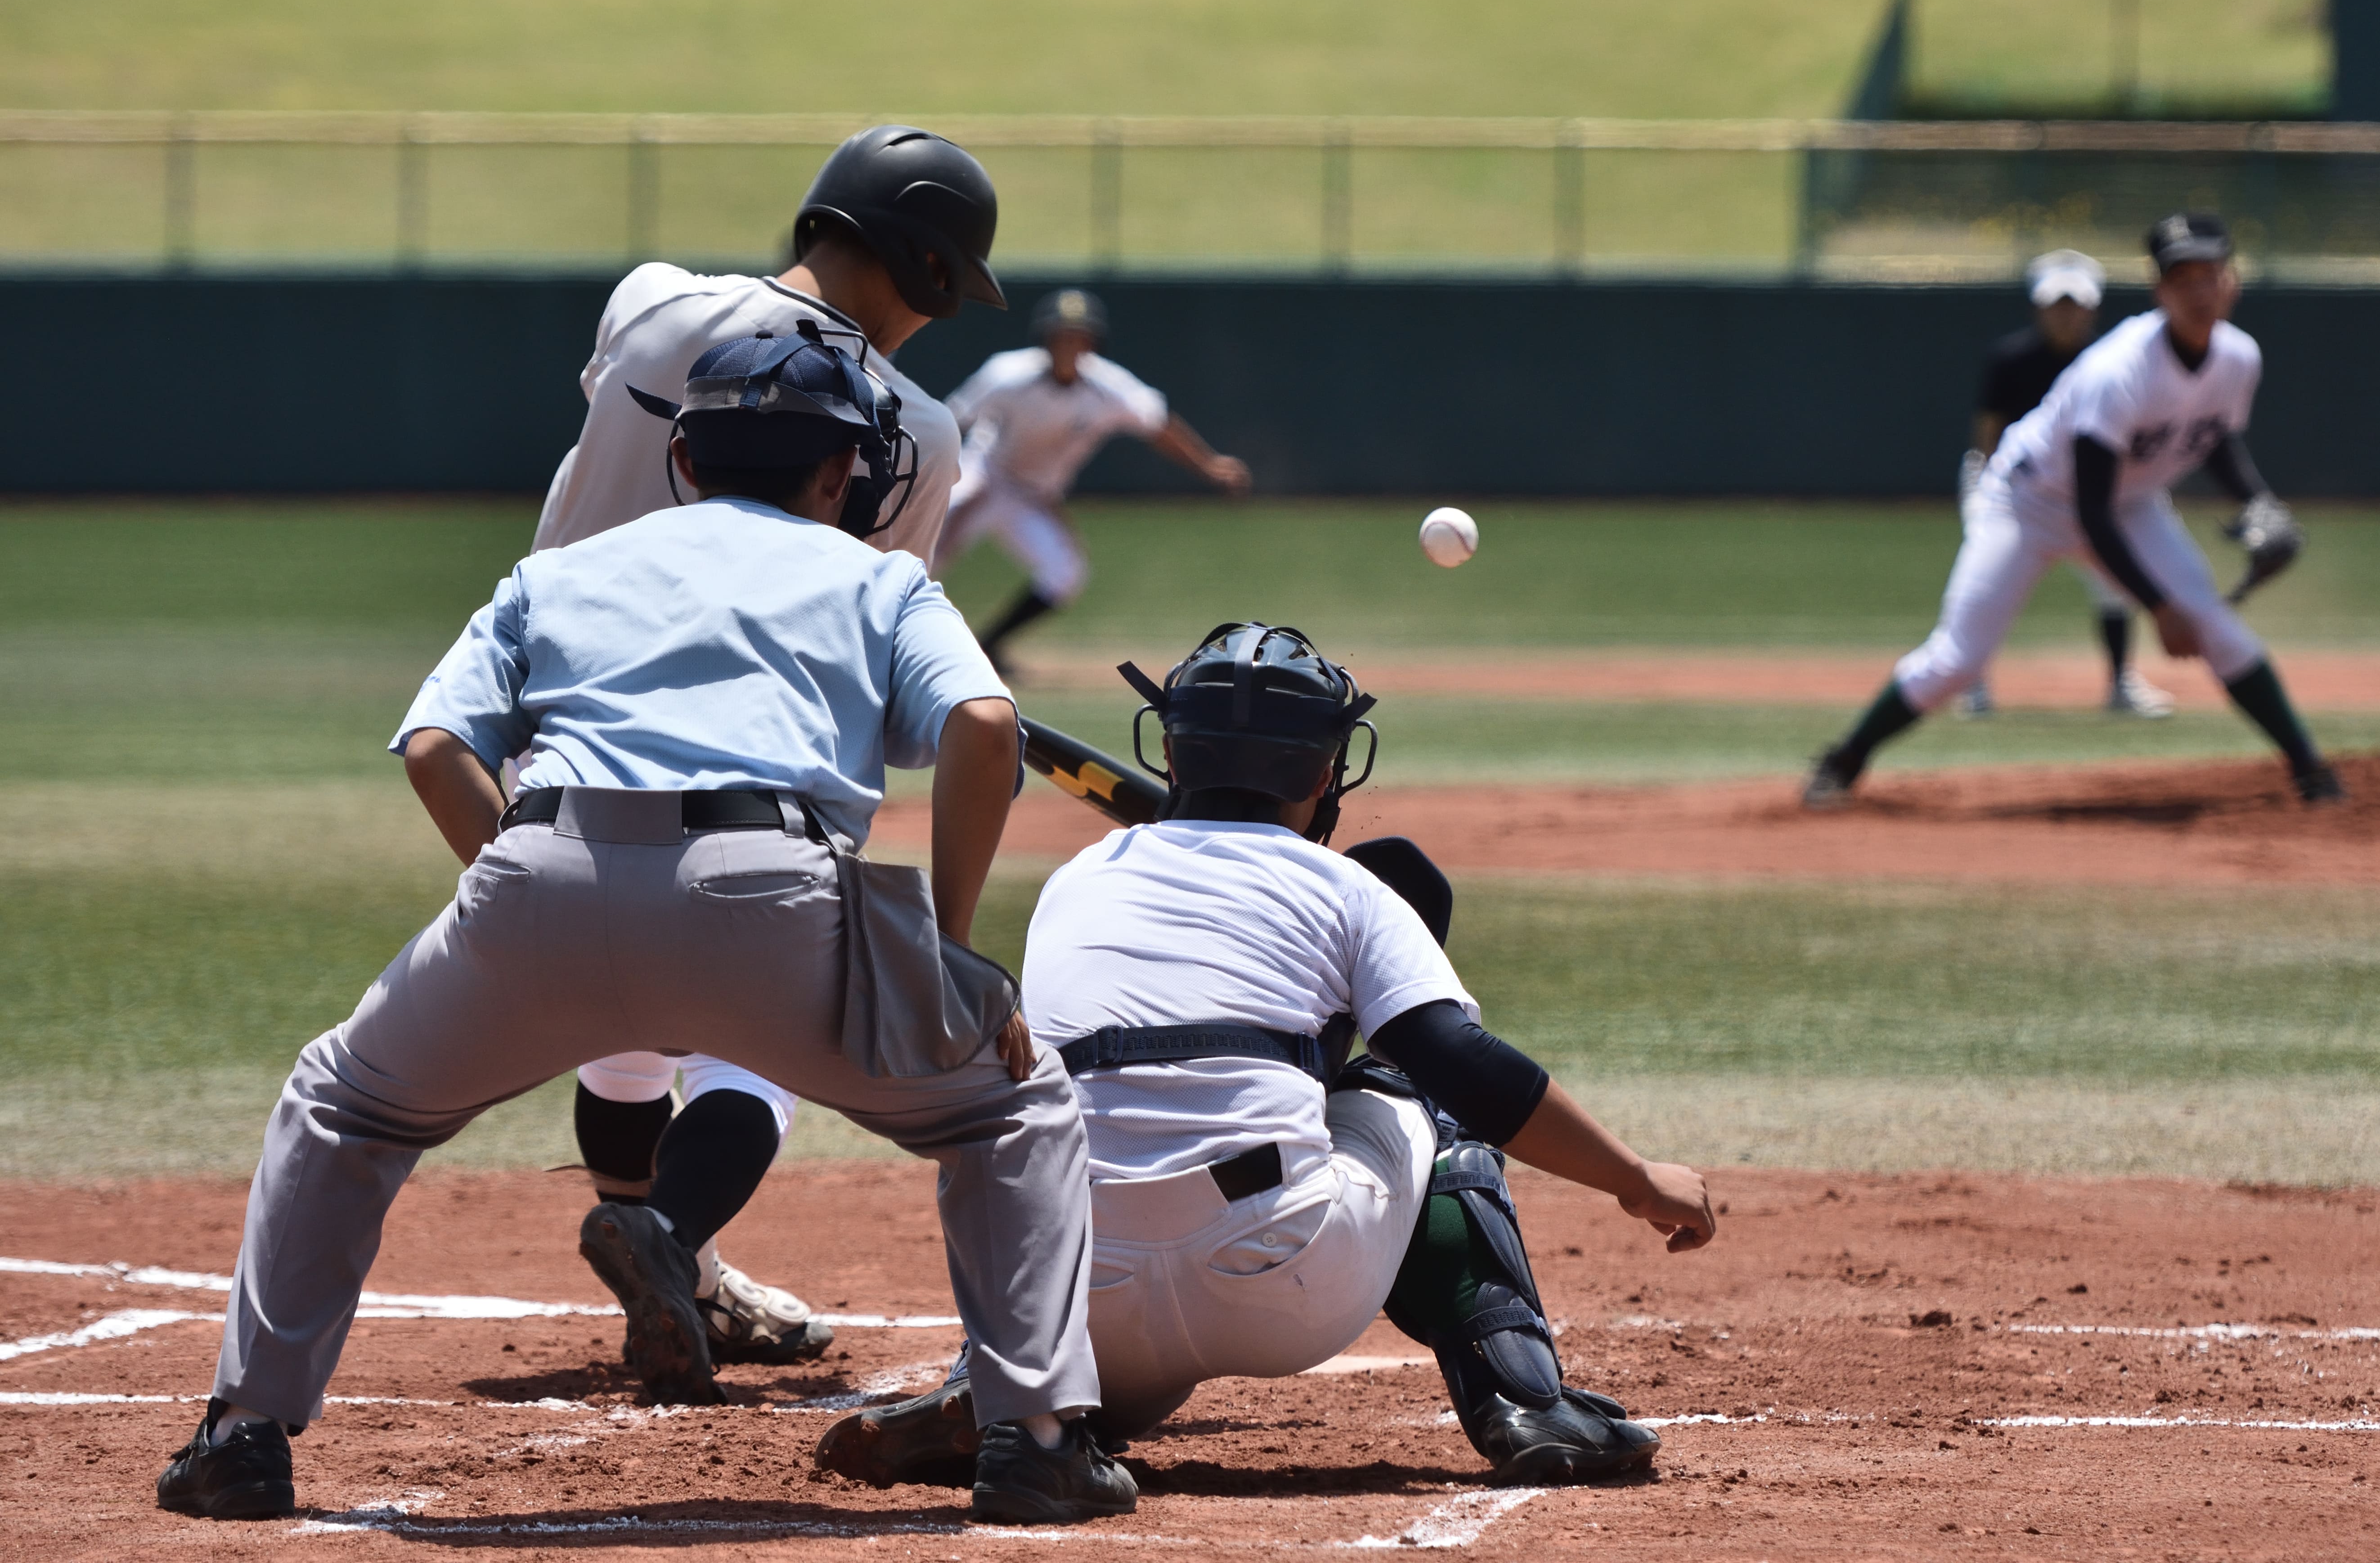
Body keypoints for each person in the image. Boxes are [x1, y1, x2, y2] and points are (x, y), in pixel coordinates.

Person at [155, 333, 1135, 1529]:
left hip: (540, 874)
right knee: (1010, 1114)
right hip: (771, 897)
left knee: (341, 1106)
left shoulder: (558, 573)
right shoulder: (878, 581)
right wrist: (955, 951)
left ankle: (240, 1438)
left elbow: (434, 748)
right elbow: (984, 725)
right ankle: (1037, 1443)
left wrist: (528, 898)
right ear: (844, 474)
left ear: (681, 454)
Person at [811, 623, 1717, 1494]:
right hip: (1285, 1280)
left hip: (1075, 1294)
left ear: (1170, 755)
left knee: (1070, 1144)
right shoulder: (1347, 886)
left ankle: (1014, 1395)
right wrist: (1635, 1175)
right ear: (1328, 769)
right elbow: (1466, 1064)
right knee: (1418, 1090)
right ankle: (1526, 1401)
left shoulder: (1077, 880)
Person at [533, 127, 1002, 1374]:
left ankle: (664, 1257)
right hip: (757, 759)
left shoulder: (650, 305)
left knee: (622, 1032)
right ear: (925, 264)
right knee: (764, 1035)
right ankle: (674, 1242)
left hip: (564, 739)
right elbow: (866, 617)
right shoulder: (913, 427)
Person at [1806, 212, 2342, 808]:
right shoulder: (2117, 373)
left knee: (2219, 631)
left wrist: (2259, 501)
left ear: (2232, 281)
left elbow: (2213, 437)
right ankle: (1844, 760)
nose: (2199, 291)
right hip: (2028, 503)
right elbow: (2090, 513)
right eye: (2182, 279)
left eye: (2210, 275)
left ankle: (2311, 773)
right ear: (2160, 290)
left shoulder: (2239, 358)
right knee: (1959, 660)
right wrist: (2160, 608)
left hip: (2131, 504)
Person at [934, 288, 1252, 677]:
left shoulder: (1109, 387)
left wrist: (1208, 465)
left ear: (1093, 341)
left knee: (1065, 574)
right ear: (1046, 339)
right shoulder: (1006, 374)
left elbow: (1157, 423)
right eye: (1062, 334)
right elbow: (951, 421)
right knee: (923, 556)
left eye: (1079, 335)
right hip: (984, 476)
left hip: (1034, 496)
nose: (1070, 343)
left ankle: (986, 649)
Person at [1957, 249, 2175, 720]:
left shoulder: (2110, 363)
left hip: (2090, 486)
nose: (2066, 314)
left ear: (2092, 308)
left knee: (2115, 581)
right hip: (2011, 482)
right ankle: (1969, 679)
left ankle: (2120, 681)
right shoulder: (2011, 359)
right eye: (2057, 304)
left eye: (2075, 305)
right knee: (1986, 582)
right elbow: (1989, 436)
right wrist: (1990, 495)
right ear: (2040, 307)